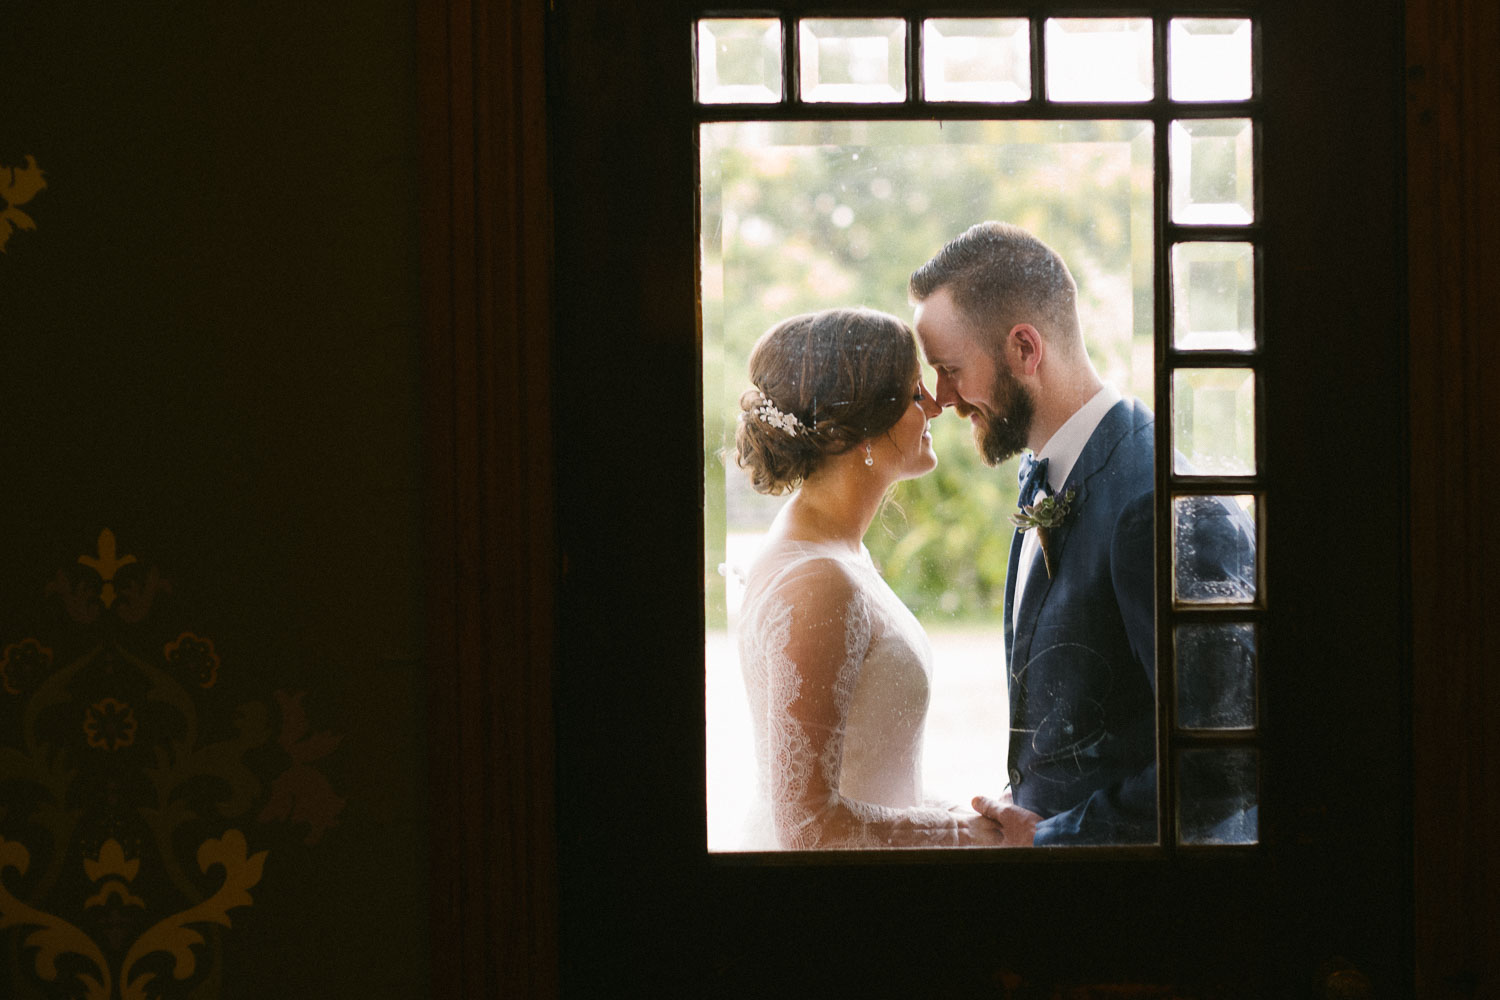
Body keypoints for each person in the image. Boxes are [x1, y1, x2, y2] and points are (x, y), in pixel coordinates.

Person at [908, 222, 1255, 847]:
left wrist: (1053, 838)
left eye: (951, 369)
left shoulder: (1158, 502)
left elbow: (1224, 762)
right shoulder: (1042, 470)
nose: (943, 399)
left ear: (1024, 349)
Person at [733, 307, 1007, 849]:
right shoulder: (818, 582)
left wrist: (965, 812)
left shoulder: (835, 552)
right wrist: (971, 835)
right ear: (858, 427)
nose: (934, 404)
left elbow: (870, 778)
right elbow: (808, 826)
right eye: (912, 395)